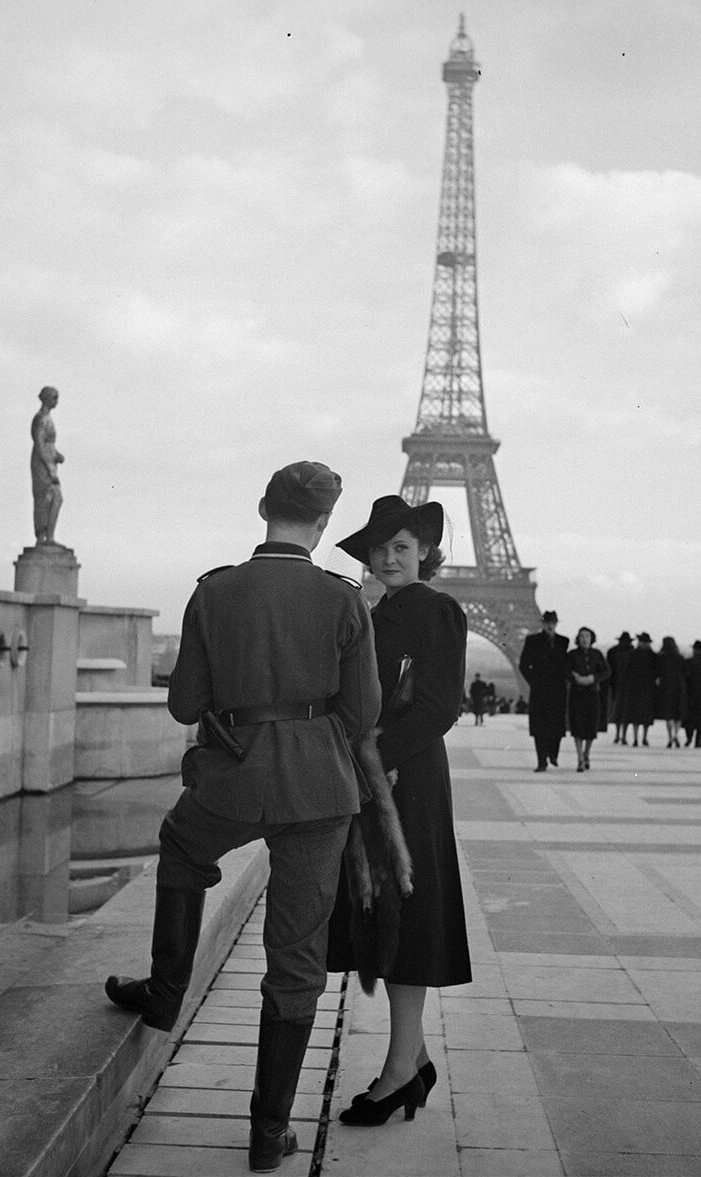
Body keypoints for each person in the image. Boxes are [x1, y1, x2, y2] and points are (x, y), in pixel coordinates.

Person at [103, 461, 380, 1173]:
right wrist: (311, 736)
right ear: (322, 524)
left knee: (182, 846)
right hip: (320, 788)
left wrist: (243, 728)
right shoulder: (342, 598)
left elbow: (184, 703)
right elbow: (365, 711)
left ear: (263, 508)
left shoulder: (214, 590)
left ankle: (166, 993)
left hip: (234, 779)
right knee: (296, 956)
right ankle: (267, 1132)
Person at [326, 494, 470, 1127]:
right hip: (366, 777)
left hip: (403, 778)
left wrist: (378, 754)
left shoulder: (438, 610)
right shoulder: (366, 610)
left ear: (425, 555)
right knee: (383, 917)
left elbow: (440, 706)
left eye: (402, 548)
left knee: (404, 923)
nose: (389, 557)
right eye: (380, 549)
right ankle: (411, 1061)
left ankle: (398, 1071)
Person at [520, 611, 570, 770]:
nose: (550, 625)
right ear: (543, 623)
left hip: (557, 690)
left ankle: (553, 753)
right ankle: (542, 761)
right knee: (539, 727)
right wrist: (534, 682)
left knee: (557, 726)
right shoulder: (532, 640)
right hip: (540, 690)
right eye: (548, 622)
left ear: (556, 624)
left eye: (553, 622)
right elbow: (523, 665)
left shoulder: (564, 642)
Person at [566, 627, 610, 771]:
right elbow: (565, 670)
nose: (585, 639)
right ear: (578, 638)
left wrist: (593, 678)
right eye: (582, 636)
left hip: (592, 694)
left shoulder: (597, 654)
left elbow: (606, 671)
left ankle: (586, 753)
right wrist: (576, 678)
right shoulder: (572, 654)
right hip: (577, 694)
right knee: (578, 726)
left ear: (592, 638)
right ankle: (580, 757)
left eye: (587, 636)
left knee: (591, 726)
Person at [30, 386, 64, 545]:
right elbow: (39, 444)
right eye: (54, 397)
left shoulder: (46, 418)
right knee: (47, 498)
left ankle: (48, 536)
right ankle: (43, 537)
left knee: (53, 498)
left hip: (48, 460)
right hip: (42, 464)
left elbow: (48, 444)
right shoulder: (41, 418)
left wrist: (56, 455)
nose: (56, 401)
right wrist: (50, 468)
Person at [624, 632, 657, 747]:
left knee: (636, 716)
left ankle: (638, 738)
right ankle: (643, 738)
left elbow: (627, 671)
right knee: (644, 717)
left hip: (636, 688)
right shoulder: (652, 656)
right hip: (647, 689)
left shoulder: (633, 654)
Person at [655, 636, 688, 749]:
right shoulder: (680, 658)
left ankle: (670, 737)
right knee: (678, 714)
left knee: (669, 714)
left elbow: (657, 673)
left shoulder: (661, 658)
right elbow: (686, 673)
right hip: (679, 687)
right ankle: (676, 734)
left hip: (666, 687)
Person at [606, 632, 634, 744]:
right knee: (624, 711)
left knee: (618, 711)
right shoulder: (632, 652)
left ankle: (619, 735)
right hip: (626, 685)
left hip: (617, 684)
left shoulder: (612, 651)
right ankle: (622, 735)